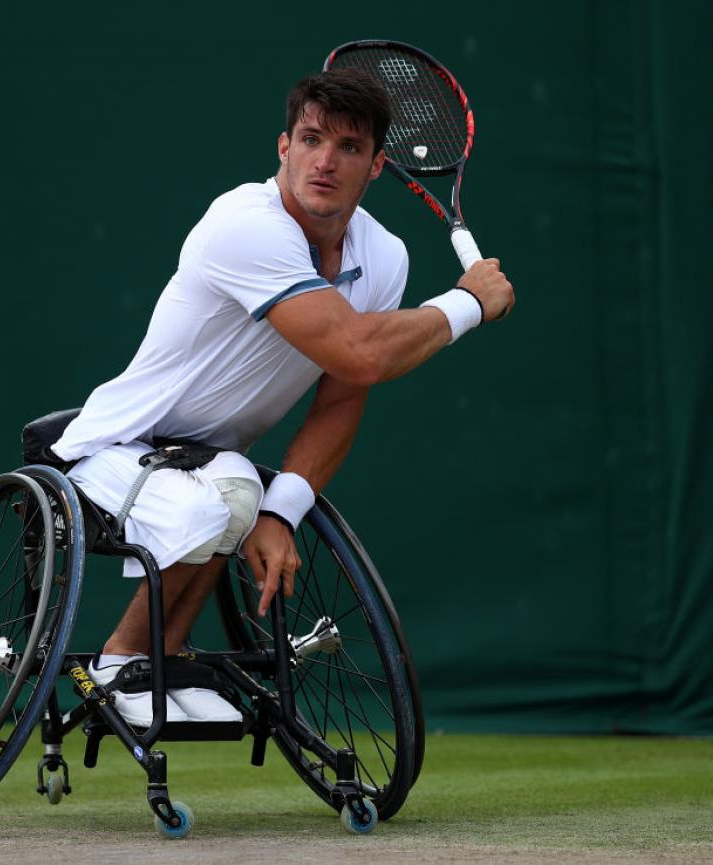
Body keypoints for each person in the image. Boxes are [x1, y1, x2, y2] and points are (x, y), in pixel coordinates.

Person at [50, 68, 514, 726]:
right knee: (212, 502)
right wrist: (466, 304)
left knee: (239, 491)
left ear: (378, 165)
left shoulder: (383, 257)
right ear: (283, 147)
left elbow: (345, 395)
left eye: (349, 148)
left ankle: (161, 658)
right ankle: (122, 661)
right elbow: (356, 348)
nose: (325, 161)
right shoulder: (245, 226)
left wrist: (284, 513)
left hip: (208, 458)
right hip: (116, 446)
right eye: (311, 138)